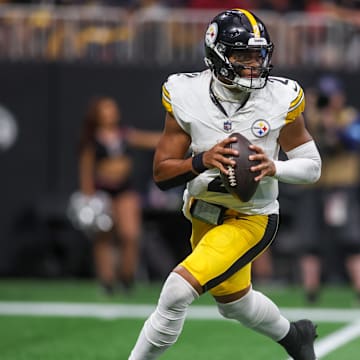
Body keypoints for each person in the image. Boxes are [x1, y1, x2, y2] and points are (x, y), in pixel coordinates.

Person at [128, 8, 321, 360]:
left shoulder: (281, 97)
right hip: (203, 212)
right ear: (217, 55)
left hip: (252, 217)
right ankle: (296, 337)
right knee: (234, 303)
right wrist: (202, 160)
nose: (253, 65)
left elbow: (312, 167)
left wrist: (273, 167)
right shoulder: (186, 93)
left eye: (258, 55)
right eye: (242, 55)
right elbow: (161, 173)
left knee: (175, 291)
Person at [78, 96, 160, 294]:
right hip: (102, 193)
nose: (111, 113)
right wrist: (88, 197)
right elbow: (86, 170)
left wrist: (179, 136)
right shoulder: (92, 140)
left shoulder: (124, 134)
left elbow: (151, 140)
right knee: (104, 238)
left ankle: (126, 277)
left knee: (130, 234)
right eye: (105, 110)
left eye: (112, 109)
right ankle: (106, 282)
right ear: (97, 114)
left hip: (125, 190)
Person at [298, 76, 360, 304]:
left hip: (340, 186)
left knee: (351, 238)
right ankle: (311, 291)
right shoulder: (310, 119)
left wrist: (329, 121)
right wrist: (314, 111)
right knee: (310, 239)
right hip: (314, 185)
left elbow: (348, 142)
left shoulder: (349, 117)